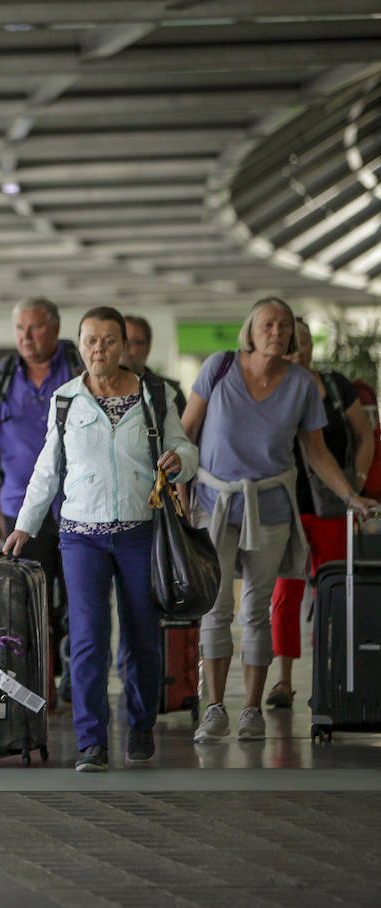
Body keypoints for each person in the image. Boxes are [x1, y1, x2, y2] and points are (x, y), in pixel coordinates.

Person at [4, 307, 198, 771]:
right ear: (80, 344)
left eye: (109, 341)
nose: (99, 350)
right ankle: (92, 741)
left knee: (142, 638)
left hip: (140, 532)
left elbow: (186, 447)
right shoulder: (66, 399)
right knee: (88, 639)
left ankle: (141, 726)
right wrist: (24, 525)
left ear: (125, 346)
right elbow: (47, 469)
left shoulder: (154, 394)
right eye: (90, 341)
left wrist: (180, 461)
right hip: (80, 537)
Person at [181, 298, 378, 744]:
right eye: (268, 324)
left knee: (257, 607)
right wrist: (177, 494)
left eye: (284, 325)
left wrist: (350, 495)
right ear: (250, 331)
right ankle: (214, 708)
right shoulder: (219, 368)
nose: (277, 331)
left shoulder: (302, 386)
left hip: (270, 506)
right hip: (214, 504)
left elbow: (316, 451)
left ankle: (251, 708)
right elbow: (186, 432)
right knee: (215, 608)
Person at [0, 297, 82, 700]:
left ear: (56, 326)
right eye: (19, 330)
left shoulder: (79, 367)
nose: (26, 337)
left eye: (36, 328)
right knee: (28, 601)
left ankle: (75, 681)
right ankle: (38, 682)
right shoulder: (3, 376)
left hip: (81, 506)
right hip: (22, 511)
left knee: (80, 598)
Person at [265, 319, 372, 708]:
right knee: (285, 593)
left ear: (311, 347)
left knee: (335, 592)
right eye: (290, 345)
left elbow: (364, 434)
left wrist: (354, 484)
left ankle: (332, 676)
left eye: (303, 343)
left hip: (331, 506)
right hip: (285, 506)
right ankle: (283, 680)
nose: (296, 351)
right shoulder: (268, 389)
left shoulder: (336, 385)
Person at [122, 315, 187, 416]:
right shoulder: (96, 390)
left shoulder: (169, 391)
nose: (125, 348)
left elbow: (184, 429)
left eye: (134, 342)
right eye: (120, 341)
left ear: (148, 346)